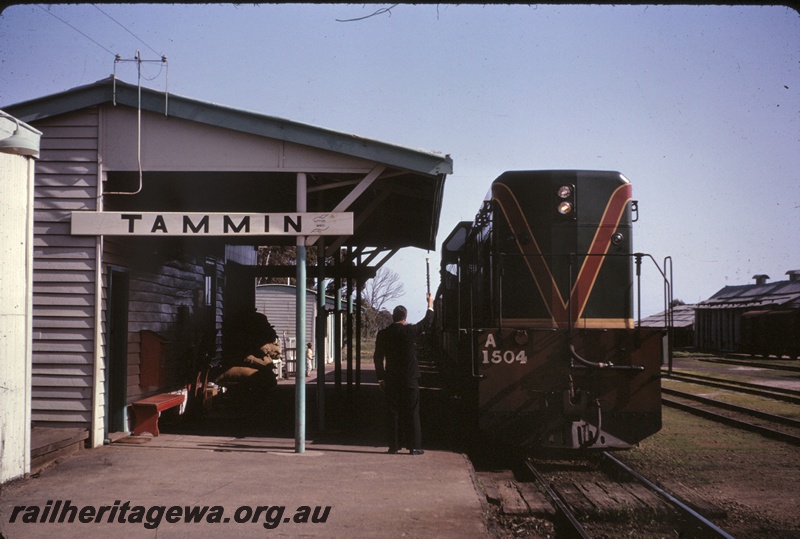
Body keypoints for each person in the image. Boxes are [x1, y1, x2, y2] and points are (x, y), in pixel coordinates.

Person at [373, 293, 434, 455]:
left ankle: (394, 446)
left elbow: (378, 357)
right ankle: (414, 447)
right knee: (412, 411)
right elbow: (426, 322)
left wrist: (381, 377)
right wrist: (430, 304)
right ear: (405, 318)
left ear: (393, 317)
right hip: (410, 379)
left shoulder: (383, 334)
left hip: (391, 378)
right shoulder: (410, 331)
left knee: (393, 411)